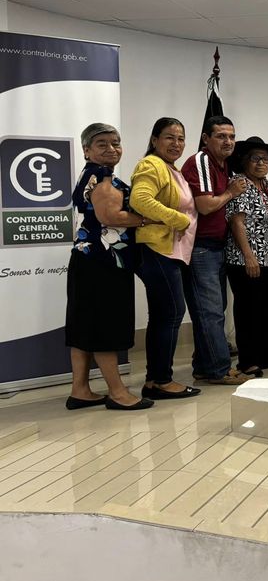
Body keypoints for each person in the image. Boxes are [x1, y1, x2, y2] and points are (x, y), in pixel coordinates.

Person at [65, 123, 154, 411]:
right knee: (105, 326)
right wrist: (149, 218)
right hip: (103, 263)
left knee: (85, 326)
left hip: (87, 261)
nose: (111, 149)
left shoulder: (91, 174)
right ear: (86, 150)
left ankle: (80, 390)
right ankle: (117, 393)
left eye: (115, 142)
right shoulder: (101, 175)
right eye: (102, 144)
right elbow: (110, 216)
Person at [130, 117, 201, 400]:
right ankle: (161, 380)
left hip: (170, 251)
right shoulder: (152, 164)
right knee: (170, 313)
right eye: (170, 137)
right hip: (157, 249)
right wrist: (178, 219)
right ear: (155, 140)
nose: (176, 143)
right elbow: (140, 199)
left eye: (181, 138)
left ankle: (154, 380)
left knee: (163, 315)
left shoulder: (172, 169)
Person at [180, 115, 249, 385]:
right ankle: (219, 370)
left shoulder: (223, 164)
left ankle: (204, 366)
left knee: (211, 310)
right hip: (201, 248)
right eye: (221, 136)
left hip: (216, 246)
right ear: (206, 139)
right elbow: (206, 206)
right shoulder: (201, 161)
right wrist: (231, 192)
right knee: (210, 312)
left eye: (231, 136)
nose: (228, 141)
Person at [225, 137, 268, 376]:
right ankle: (248, 361)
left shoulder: (266, 185)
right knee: (248, 310)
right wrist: (249, 256)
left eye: (265, 159)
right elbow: (236, 222)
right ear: (244, 161)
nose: (261, 163)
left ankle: (265, 357)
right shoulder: (240, 183)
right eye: (255, 158)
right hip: (246, 260)